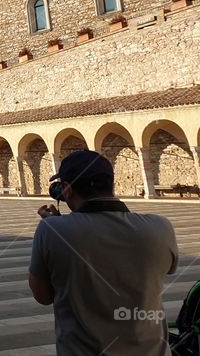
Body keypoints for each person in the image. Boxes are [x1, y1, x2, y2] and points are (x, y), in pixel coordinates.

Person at [29, 150, 177, 355]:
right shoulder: (161, 227)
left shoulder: (51, 230)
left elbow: (43, 295)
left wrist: (54, 224)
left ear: (68, 190)